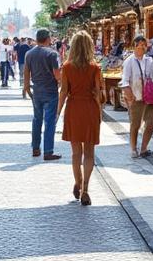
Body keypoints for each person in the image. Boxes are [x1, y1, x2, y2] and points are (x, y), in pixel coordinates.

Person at [58, 31, 104, 205]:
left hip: (74, 108)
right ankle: (85, 188)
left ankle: (77, 181)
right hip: (90, 108)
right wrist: (99, 113)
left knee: (76, 152)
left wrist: (57, 112)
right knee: (90, 152)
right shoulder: (95, 68)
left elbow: (63, 92)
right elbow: (97, 93)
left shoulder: (67, 67)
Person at [23, 29, 63, 161]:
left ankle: (35, 148)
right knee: (50, 121)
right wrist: (62, 83)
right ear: (48, 39)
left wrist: (27, 88)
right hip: (50, 91)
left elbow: (26, 73)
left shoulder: (29, 54)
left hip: (37, 91)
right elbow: (57, 74)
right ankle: (48, 151)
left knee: (37, 119)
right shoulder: (52, 54)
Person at [120, 34, 153, 159]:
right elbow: (125, 81)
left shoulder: (149, 60)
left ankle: (144, 148)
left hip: (149, 96)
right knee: (135, 124)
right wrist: (129, 96)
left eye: (144, 45)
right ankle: (133, 148)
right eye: (140, 45)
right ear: (135, 46)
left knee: (150, 123)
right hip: (136, 96)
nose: (143, 47)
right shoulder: (129, 61)